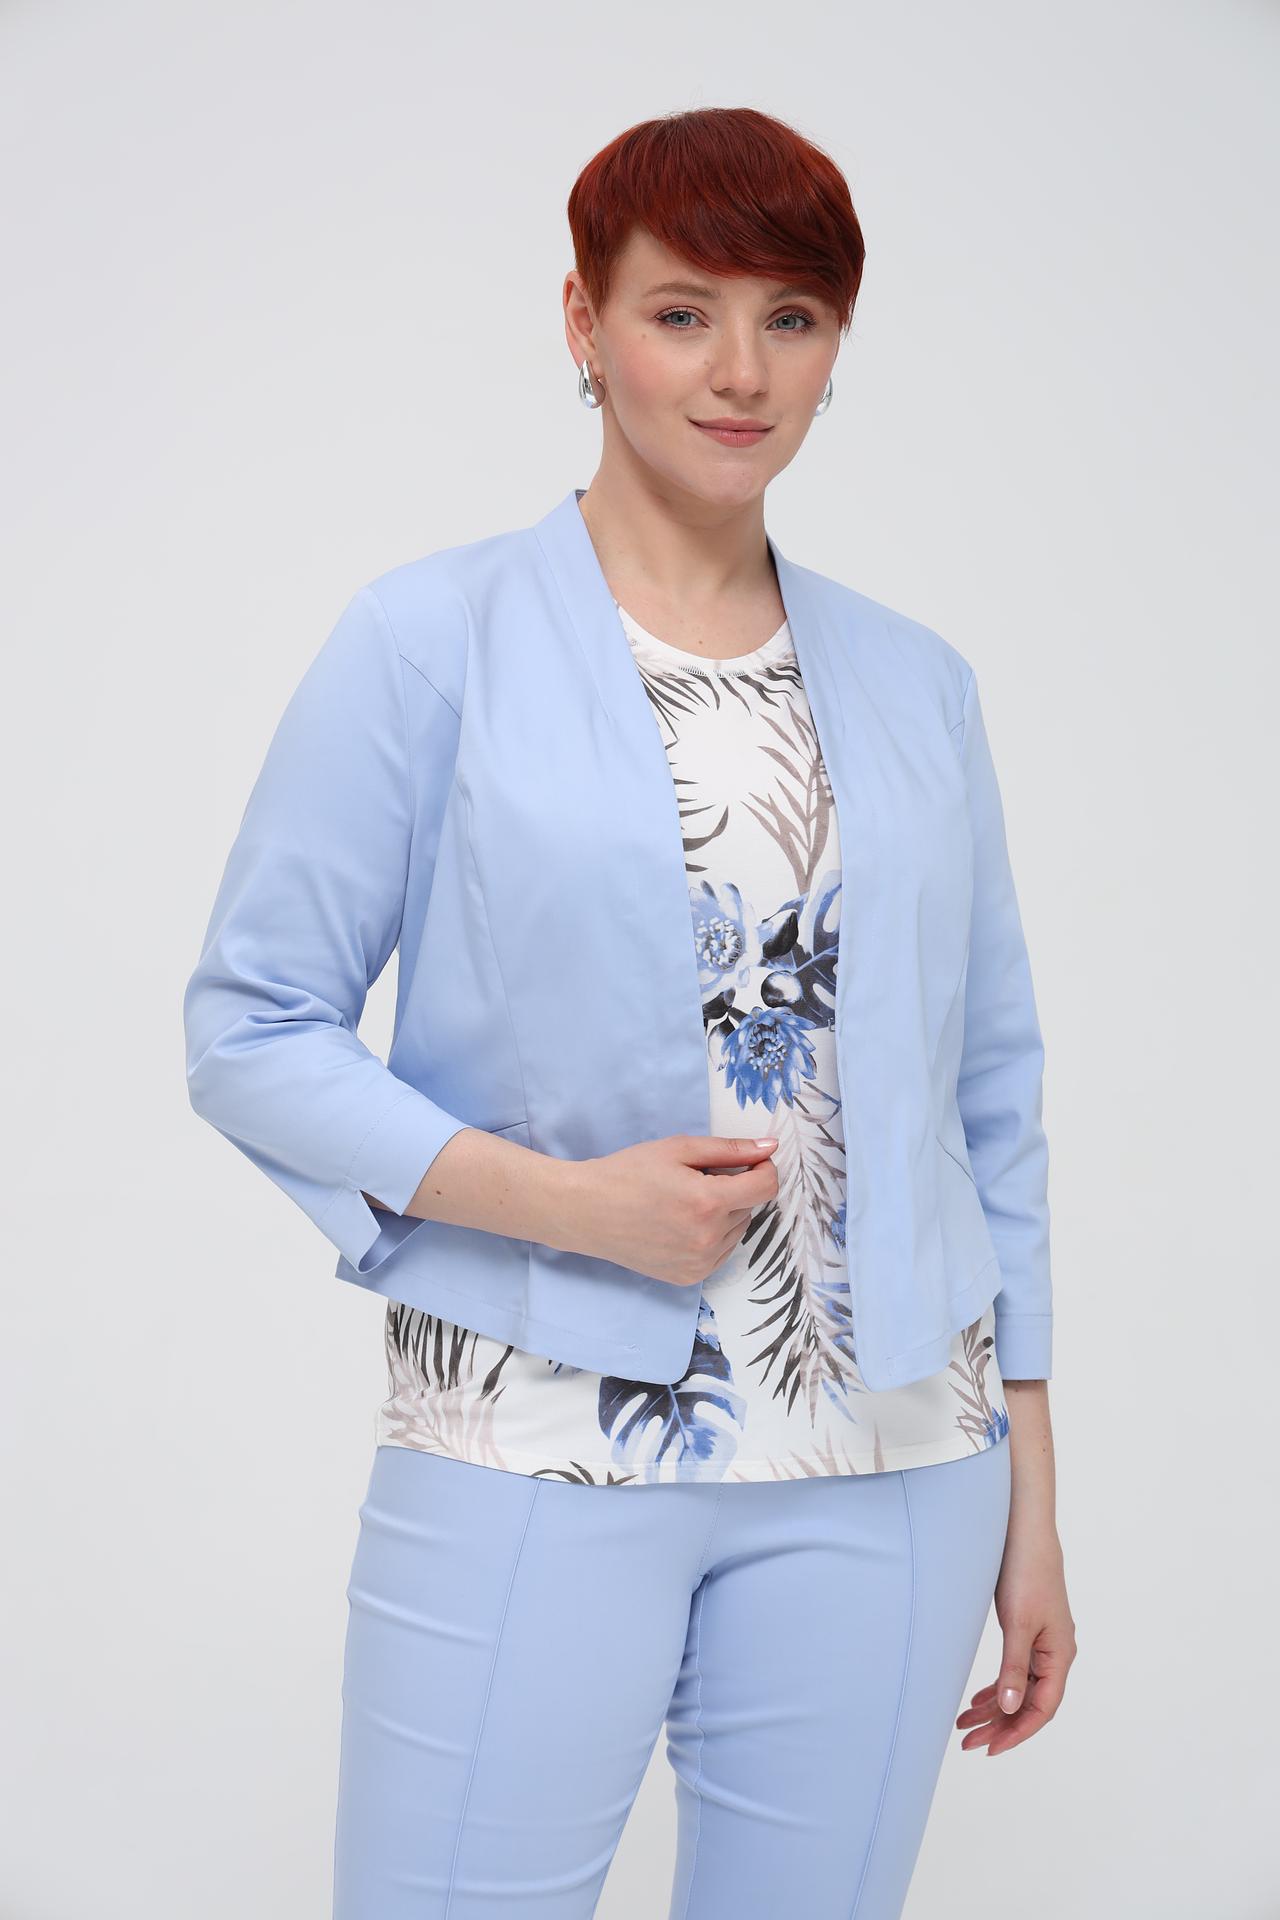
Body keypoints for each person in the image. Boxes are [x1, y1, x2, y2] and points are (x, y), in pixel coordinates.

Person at [183, 105, 1076, 1920]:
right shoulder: (428, 641)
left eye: (791, 318)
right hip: (534, 1437)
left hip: (895, 1464)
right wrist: (570, 1205)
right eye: (682, 314)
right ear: (583, 325)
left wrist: (1031, 1497)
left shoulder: (919, 685)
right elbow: (251, 1028)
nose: (741, 370)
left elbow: (988, 1104)